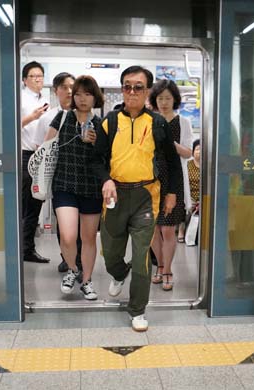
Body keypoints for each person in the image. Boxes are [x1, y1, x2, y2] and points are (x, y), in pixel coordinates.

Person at [93, 66, 182, 331]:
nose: (132, 92)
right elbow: (96, 160)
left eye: (138, 87)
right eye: (127, 86)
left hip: (146, 196)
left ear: (147, 92)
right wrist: (106, 180)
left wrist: (172, 193)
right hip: (115, 197)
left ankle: (137, 309)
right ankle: (119, 273)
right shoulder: (109, 121)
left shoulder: (157, 123)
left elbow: (172, 162)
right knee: (110, 253)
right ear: (122, 89)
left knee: (143, 254)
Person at [44, 75, 104, 300]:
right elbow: (46, 146)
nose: (81, 98)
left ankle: (87, 281)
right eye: (78, 94)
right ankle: (72, 269)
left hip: (91, 187)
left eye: (87, 94)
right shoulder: (62, 118)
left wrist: (95, 142)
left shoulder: (101, 124)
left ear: (94, 97)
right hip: (64, 184)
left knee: (88, 238)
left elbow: (107, 159)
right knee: (68, 236)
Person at [36, 72, 83, 274]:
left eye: (72, 86)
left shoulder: (84, 115)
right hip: (58, 178)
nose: (69, 91)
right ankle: (67, 258)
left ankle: (78, 259)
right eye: (64, 87)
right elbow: (40, 149)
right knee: (62, 223)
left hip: (82, 178)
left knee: (80, 222)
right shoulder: (46, 118)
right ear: (56, 91)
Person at [147, 79, 193, 291]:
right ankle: (160, 266)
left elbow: (188, 152)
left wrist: (168, 141)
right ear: (154, 100)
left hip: (174, 180)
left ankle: (167, 270)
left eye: (168, 98)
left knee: (168, 229)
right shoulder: (149, 120)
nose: (164, 102)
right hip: (150, 179)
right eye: (160, 98)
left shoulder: (182, 122)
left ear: (175, 99)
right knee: (152, 229)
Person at [20, 61, 51, 263]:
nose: (38, 79)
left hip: (42, 156)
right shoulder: (20, 99)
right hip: (25, 155)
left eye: (40, 75)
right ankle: (24, 249)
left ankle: (28, 248)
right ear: (24, 80)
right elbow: (10, 124)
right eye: (33, 76)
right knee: (26, 204)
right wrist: (32, 116)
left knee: (37, 202)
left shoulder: (45, 99)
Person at [185, 139, 201, 244]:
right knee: (184, 205)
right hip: (189, 196)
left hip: (202, 196)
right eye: (197, 149)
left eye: (201, 150)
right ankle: (181, 231)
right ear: (193, 151)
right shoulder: (187, 164)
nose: (199, 152)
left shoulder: (208, 165)